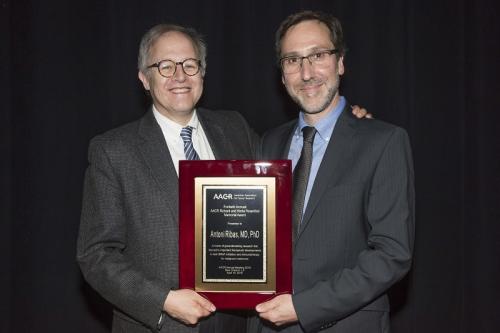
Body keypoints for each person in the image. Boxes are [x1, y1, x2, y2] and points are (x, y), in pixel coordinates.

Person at [76, 24, 259, 333]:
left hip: (233, 323)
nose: (180, 76)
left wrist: (344, 125)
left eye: (190, 65)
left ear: (202, 73)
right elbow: (95, 255)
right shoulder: (113, 150)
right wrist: (163, 301)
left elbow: (286, 173)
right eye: (165, 66)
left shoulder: (235, 128)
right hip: (159, 325)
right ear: (144, 79)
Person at [254, 10, 415, 333]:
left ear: (340, 62)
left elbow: (392, 253)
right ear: (282, 75)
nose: (306, 72)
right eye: (293, 60)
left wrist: (304, 307)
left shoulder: (384, 141)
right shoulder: (269, 143)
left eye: (318, 55)